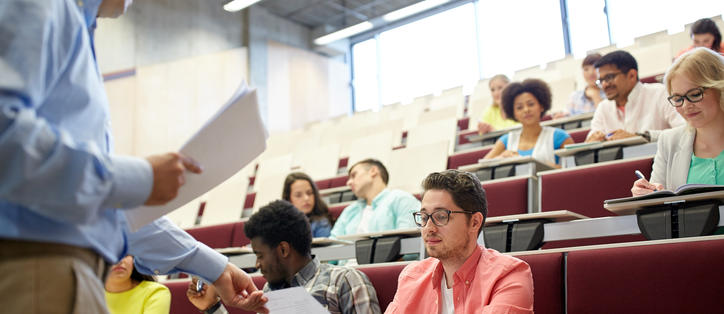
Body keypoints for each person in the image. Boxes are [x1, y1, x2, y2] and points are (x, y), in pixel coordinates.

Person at [0, 1, 266, 313]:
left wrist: (215, 267)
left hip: (56, 267)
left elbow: (100, 205)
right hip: (35, 266)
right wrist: (140, 177)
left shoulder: (76, 25)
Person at [187, 200, 382, 314]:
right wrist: (213, 307)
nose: (257, 264)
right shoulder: (268, 292)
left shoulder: (344, 280)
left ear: (283, 250)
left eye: (260, 255)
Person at [386, 170, 534, 313]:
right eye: (424, 217)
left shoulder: (508, 275)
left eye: (441, 216)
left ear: (474, 222)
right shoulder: (412, 276)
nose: (429, 228)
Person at [632, 47, 724, 195]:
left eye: (694, 94)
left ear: (720, 88)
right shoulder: (669, 141)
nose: (686, 106)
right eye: (678, 99)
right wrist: (644, 195)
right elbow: (657, 203)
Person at [586, 50, 686, 143]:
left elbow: (685, 131)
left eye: (609, 77)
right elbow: (592, 139)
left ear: (632, 75)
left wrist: (642, 137)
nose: (604, 85)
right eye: (601, 80)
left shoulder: (660, 93)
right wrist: (593, 140)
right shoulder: (603, 107)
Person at [483, 79, 574, 166]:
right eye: (519, 107)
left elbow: (573, 170)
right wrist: (500, 158)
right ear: (513, 113)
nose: (526, 110)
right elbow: (481, 168)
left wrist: (531, 163)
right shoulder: (506, 140)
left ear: (541, 106)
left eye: (531, 104)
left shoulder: (560, 137)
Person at [330, 159, 420, 238]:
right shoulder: (349, 210)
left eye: (354, 175)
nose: (348, 182)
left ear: (373, 171)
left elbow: (410, 243)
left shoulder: (401, 199)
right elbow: (333, 244)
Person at [105, 255, 170, 314]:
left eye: (126, 255)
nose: (120, 261)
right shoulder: (95, 293)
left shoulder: (156, 292)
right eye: (110, 254)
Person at [282, 172, 333, 237]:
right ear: (288, 199)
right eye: (298, 195)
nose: (306, 198)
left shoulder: (321, 223)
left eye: (309, 193)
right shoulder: (281, 223)